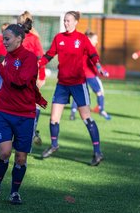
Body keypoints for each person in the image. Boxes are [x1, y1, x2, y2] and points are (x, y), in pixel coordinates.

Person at [0, 20, 47, 205]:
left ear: (19, 39)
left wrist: (1, 68)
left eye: (7, 39)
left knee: (20, 157)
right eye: (3, 39)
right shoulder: (7, 57)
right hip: (4, 111)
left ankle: (14, 192)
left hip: (25, 114)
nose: (4, 42)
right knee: (4, 152)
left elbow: (20, 82)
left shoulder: (29, 58)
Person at [39, 11, 106, 166]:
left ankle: (97, 152)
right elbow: (49, 55)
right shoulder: (59, 38)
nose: (66, 23)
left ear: (76, 22)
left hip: (78, 84)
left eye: (68, 20)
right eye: (64, 20)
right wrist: (37, 63)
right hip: (62, 84)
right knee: (54, 118)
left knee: (86, 118)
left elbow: (93, 54)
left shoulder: (82, 39)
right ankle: (54, 144)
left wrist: (98, 65)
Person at [17, 11, 46, 145]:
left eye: (20, 23)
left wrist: (42, 76)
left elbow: (41, 58)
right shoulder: (15, 37)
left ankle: (31, 132)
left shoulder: (33, 39)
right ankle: (27, 133)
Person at [70, 30, 111, 121]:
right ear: (89, 39)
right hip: (90, 75)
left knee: (78, 94)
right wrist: (103, 71)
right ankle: (101, 110)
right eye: (95, 39)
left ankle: (72, 112)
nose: (97, 41)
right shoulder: (91, 49)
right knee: (99, 92)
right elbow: (96, 63)